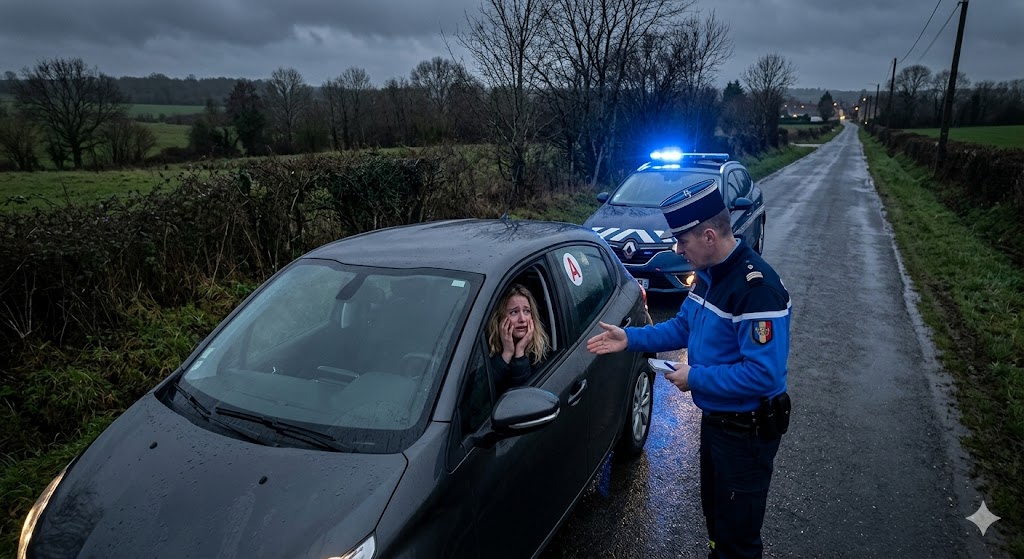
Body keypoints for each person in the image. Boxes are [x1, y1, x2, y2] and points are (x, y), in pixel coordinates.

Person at [586, 179, 792, 559]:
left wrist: (693, 377)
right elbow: (682, 326)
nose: (678, 249)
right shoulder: (710, 275)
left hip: (745, 435)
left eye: (683, 241)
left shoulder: (755, 288)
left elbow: (764, 375)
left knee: (738, 538)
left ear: (710, 236)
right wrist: (629, 338)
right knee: (717, 523)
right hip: (718, 422)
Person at [487, 283, 551, 394]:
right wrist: (507, 353)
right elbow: (484, 391)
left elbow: (523, 395)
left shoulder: (540, 349)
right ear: (501, 318)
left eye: (526, 311)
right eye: (514, 312)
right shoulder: (486, 346)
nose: (522, 319)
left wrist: (520, 352)